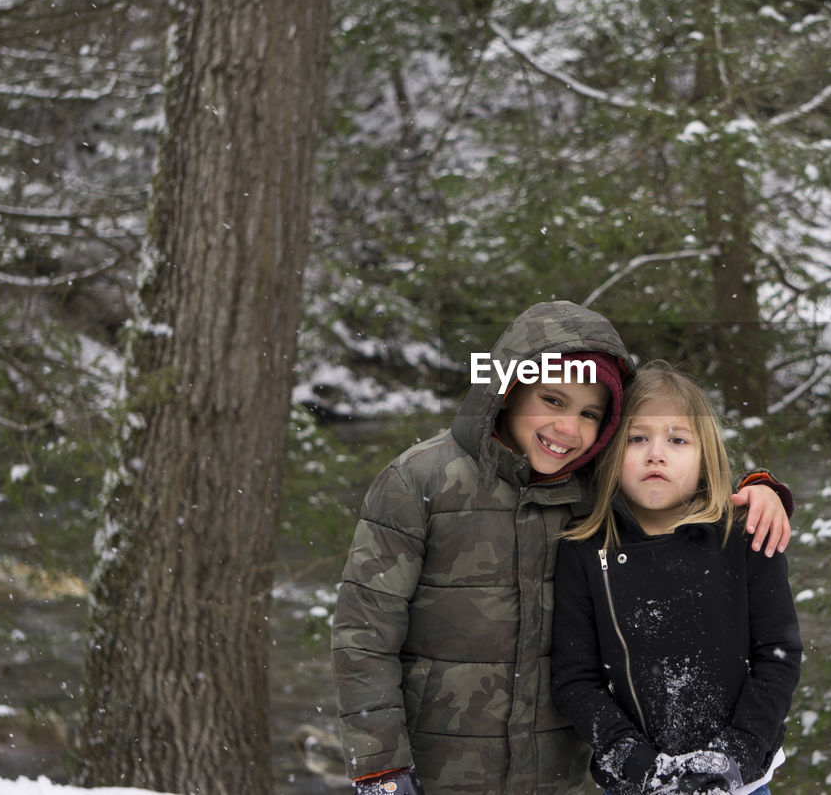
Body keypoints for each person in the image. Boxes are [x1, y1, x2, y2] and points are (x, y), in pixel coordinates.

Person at [332, 302, 793, 795]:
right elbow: (364, 635)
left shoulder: (593, 482)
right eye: (552, 400)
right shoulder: (418, 482)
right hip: (441, 762)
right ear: (507, 390)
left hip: (556, 770)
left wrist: (760, 490)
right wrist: (381, 766)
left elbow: (680, 484)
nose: (568, 429)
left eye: (590, 414)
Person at [551, 361, 802, 795]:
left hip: (738, 781)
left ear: (706, 457)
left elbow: (778, 656)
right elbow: (575, 678)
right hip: (635, 782)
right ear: (611, 453)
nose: (656, 453)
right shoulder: (586, 550)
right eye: (637, 438)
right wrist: (630, 757)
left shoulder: (743, 538)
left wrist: (735, 753)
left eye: (678, 439)